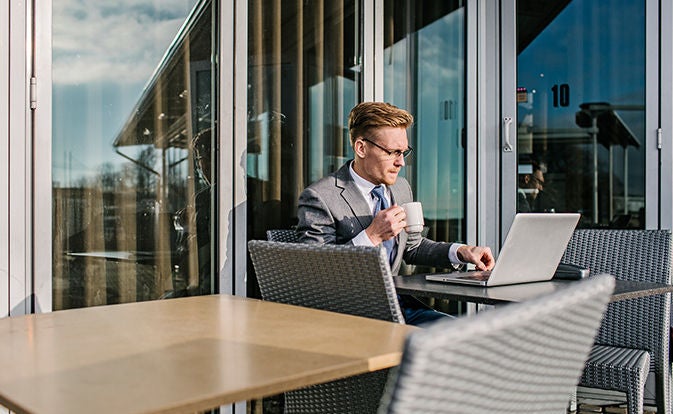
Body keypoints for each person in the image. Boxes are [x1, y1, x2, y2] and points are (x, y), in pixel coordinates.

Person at [296, 102, 494, 326]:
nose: (401, 162)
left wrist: (460, 252)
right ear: (361, 148)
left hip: (401, 305)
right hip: (351, 315)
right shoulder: (320, 196)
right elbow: (313, 274)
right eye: (393, 152)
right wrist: (371, 236)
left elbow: (413, 247)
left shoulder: (400, 187)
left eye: (404, 152)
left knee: (465, 336)